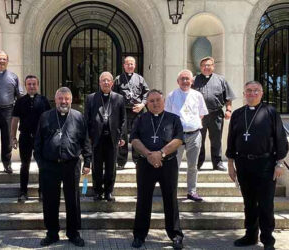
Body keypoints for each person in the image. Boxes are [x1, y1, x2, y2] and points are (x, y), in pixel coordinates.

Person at [226, 81, 288, 250]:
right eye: (249, 91)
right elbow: (231, 140)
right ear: (244, 93)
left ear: (261, 93)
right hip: (243, 163)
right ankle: (250, 235)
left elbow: (280, 138)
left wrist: (279, 163)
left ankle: (268, 239)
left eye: (256, 91)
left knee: (266, 203)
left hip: (266, 164)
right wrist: (231, 164)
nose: (252, 93)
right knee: (249, 202)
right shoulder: (238, 114)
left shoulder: (270, 112)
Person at [34, 87, 91, 247]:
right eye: (60, 98)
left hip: (71, 165)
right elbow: (38, 143)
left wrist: (87, 161)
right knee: (50, 201)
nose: (64, 102)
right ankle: (52, 233)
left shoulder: (78, 117)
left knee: (73, 200)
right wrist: (41, 164)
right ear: (55, 99)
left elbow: (85, 140)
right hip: (50, 166)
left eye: (66, 99)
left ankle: (73, 233)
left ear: (71, 100)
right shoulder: (45, 116)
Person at [130, 89, 184, 249]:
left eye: (157, 100)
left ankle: (175, 235)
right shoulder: (141, 119)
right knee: (143, 200)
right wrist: (149, 154)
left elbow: (179, 139)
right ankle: (139, 235)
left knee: (171, 199)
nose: (154, 103)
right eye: (151, 101)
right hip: (145, 164)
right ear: (147, 103)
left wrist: (160, 154)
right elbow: (133, 139)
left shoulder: (173, 119)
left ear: (163, 101)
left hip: (168, 164)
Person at [165, 70, 208, 202]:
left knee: (193, 165)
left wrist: (190, 125)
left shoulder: (198, 95)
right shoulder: (171, 95)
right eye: (182, 79)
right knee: (174, 165)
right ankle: (171, 190)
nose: (185, 81)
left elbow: (201, 113)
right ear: (178, 81)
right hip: (177, 137)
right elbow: (167, 116)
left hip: (194, 135)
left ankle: (192, 191)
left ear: (192, 81)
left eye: (187, 79)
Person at [84, 72, 126, 202]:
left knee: (111, 167)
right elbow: (86, 119)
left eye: (108, 81)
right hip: (96, 138)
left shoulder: (119, 98)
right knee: (96, 167)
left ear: (112, 83)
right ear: (99, 83)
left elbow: (123, 119)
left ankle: (108, 192)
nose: (106, 83)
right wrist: (88, 137)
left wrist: (122, 136)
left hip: (112, 138)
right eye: (103, 80)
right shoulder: (91, 98)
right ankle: (97, 192)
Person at [10, 75, 50, 201]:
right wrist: (13, 137)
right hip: (25, 137)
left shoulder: (44, 101)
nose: (32, 86)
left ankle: (42, 192)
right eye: (29, 84)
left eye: (34, 84)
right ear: (25, 86)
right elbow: (15, 120)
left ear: (38, 85)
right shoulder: (20, 101)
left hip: (41, 139)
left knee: (42, 165)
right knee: (24, 165)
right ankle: (23, 192)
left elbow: (50, 119)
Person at [192, 56, 236, 171]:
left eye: (209, 65)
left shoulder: (221, 80)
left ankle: (217, 163)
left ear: (213, 66)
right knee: (198, 139)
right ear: (200, 67)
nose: (206, 67)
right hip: (199, 115)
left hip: (216, 114)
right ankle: (198, 163)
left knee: (216, 140)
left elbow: (228, 97)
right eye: (204, 65)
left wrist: (228, 110)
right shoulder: (194, 80)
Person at [114, 56, 149, 169]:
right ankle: (121, 161)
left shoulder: (140, 79)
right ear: (124, 66)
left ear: (135, 65)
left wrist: (143, 104)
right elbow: (113, 95)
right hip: (123, 111)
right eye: (127, 64)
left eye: (132, 64)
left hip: (137, 111)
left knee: (137, 136)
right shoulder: (118, 79)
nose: (130, 66)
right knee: (122, 136)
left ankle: (137, 160)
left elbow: (146, 93)